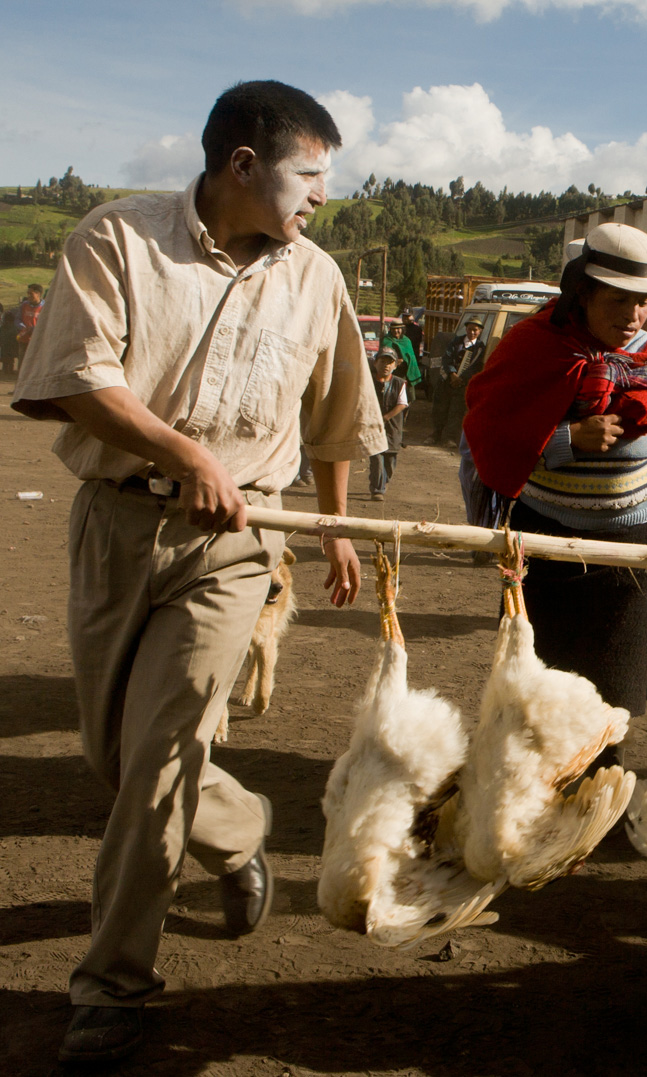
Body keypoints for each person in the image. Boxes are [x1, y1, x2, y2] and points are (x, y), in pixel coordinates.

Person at [11, 80, 383, 1064]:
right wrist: (190, 456)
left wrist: (337, 528)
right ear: (244, 166)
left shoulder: (318, 276)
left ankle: (113, 987)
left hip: (238, 545)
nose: (323, 199)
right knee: (118, 758)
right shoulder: (119, 239)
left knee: (162, 755)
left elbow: (340, 413)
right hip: (120, 525)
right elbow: (78, 379)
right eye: (311, 176)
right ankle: (241, 820)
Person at [463, 223, 647, 723]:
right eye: (619, 299)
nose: (633, 316)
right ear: (582, 293)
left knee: (613, 700)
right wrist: (565, 438)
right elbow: (487, 425)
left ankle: (601, 795)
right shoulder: (534, 344)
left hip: (632, 550)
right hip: (544, 548)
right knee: (532, 693)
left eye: (644, 301)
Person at [430, 316, 485, 447]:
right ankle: (435, 434)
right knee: (440, 408)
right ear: (465, 329)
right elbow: (447, 357)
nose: (472, 333)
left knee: (456, 410)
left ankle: (450, 438)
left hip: (462, 384)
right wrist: (452, 373)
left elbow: (476, 366)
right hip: (447, 380)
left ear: (480, 331)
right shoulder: (455, 342)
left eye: (475, 330)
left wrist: (461, 379)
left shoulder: (480, 347)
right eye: (470, 329)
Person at [368, 347, 408, 501]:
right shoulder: (369, 382)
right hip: (372, 427)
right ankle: (377, 489)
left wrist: (386, 417)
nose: (385, 365)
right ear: (375, 363)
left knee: (390, 460)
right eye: (382, 361)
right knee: (376, 458)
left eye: (389, 362)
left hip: (392, 428)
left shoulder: (399, 383)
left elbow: (402, 404)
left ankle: (384, 481)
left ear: (395, 365)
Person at [381, 319, 422, 391]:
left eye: (398, 329)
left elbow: (411, 358)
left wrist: (405, 361)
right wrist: (395, 361)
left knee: (408, 397)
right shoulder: (386, 340)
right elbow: (383, 356)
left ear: (402, 329)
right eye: (393, 329)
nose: (396, 331)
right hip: (391, 373)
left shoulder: (406, 341)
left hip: (405, 374)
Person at [16, 282, 44, 363]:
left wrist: (34, 329)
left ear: (38, 294)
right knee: (22, 362)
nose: (28, 296)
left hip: (38, 341)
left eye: (31, 294)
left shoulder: (45, 307)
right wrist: (23, 327)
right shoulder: (24, 305)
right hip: (24, 340)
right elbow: (17, 319)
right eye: (28, 294)